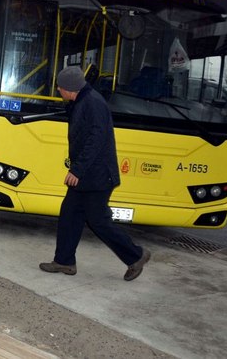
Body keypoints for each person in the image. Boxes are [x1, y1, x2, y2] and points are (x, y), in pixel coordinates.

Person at [39, 66, 151, 281]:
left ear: (70, 89)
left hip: (97, 175)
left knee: (99, 221)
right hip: (89, 175)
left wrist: (77, 170)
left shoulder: (92, 102)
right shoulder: (82, 100)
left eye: (60, 88)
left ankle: (136, 255)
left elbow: (95, 141)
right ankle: (64, 261)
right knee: (70, 215)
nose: (58, 91)